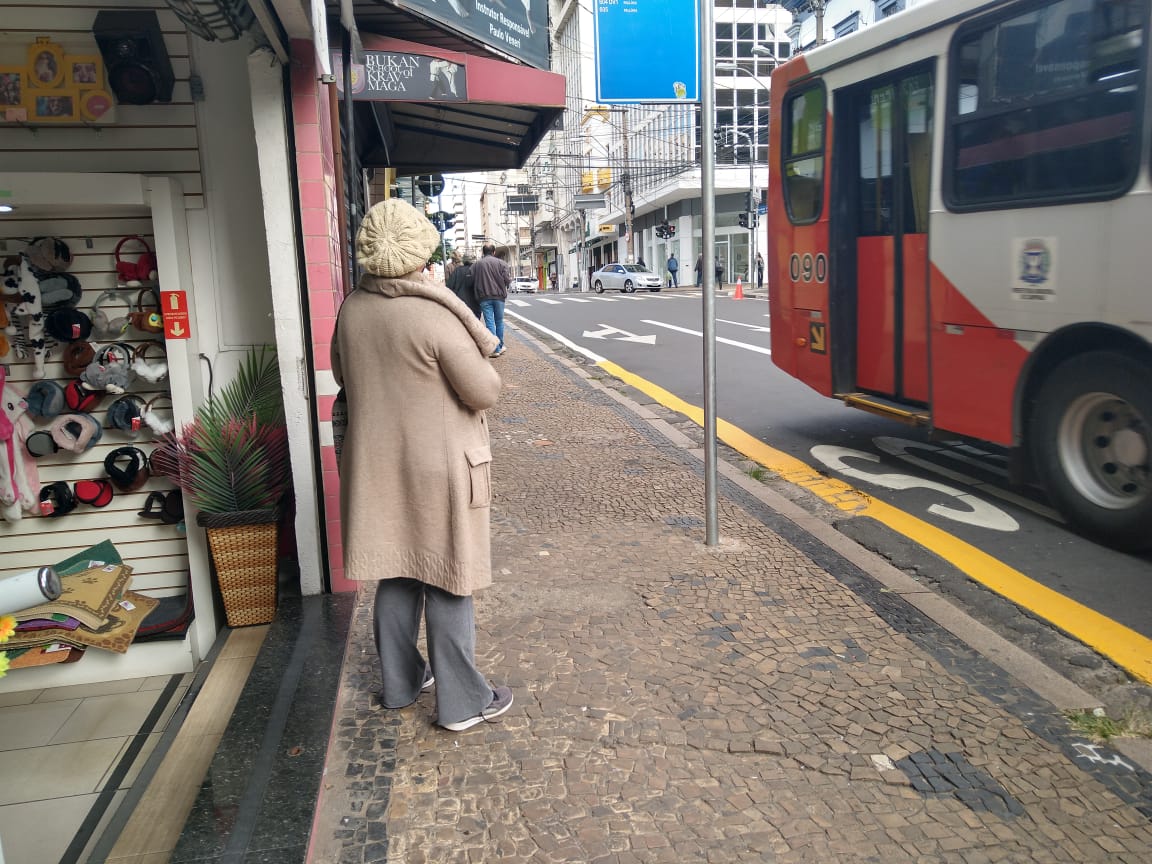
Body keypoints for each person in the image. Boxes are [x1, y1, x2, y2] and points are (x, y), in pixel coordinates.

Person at [331, 198, 513, 732]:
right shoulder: (433, 313)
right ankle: (464, 704)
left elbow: (344, 373)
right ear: (419, 252)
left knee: (399, 574)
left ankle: (402, 684)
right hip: (439, 467)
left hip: (377, 463)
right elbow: (484, 391)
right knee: (450, 578)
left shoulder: (352, 309)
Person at [471, 243, 511, 357]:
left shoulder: (477, 264)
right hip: (499, 297)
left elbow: (471, 278)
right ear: (494, 252)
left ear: (483, 252)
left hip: (484, 297)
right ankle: (500, 345)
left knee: (489, 323)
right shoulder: (502, 263)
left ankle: (495, 349)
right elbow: (507, 280)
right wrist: (505, 285)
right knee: (499, 321)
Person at [447, 252, 480, 318]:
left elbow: (449, 287)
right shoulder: (478, 271)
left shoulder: (457, 271)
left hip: (460, 303)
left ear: (464, 260)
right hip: (475, 304)